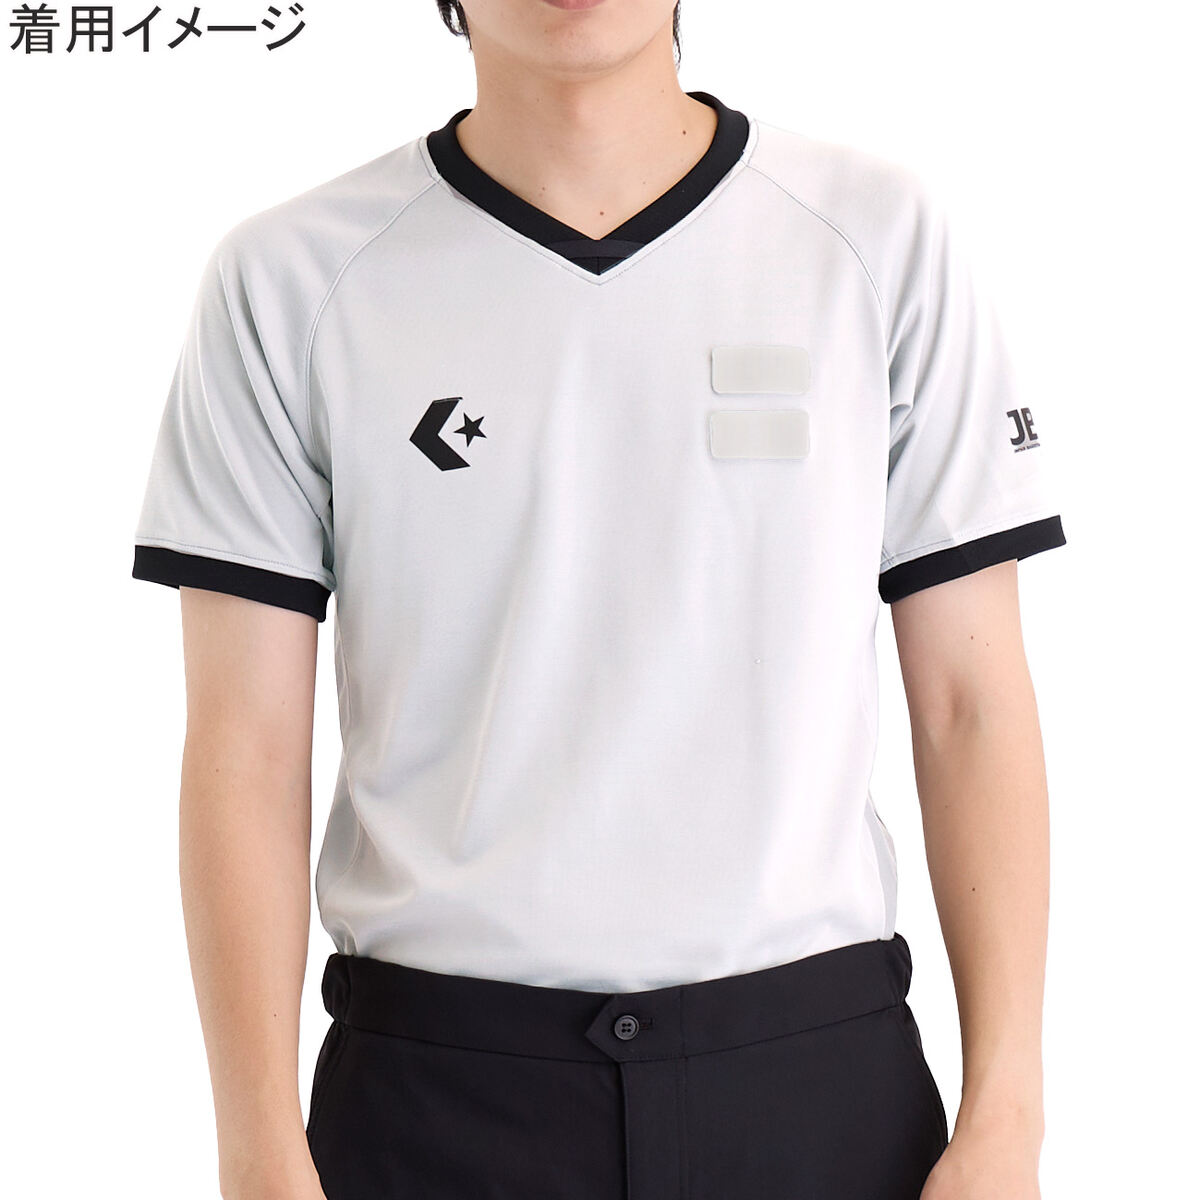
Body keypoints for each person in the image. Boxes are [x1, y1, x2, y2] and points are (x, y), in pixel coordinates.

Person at [129, 2, 1066, 1198]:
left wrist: (1007, 1117)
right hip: (434, 1094)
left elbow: (970, 704)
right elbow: (246, 746)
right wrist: (257, 1151)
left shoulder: (881, 238)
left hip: (817, 1086)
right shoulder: (289, 278)